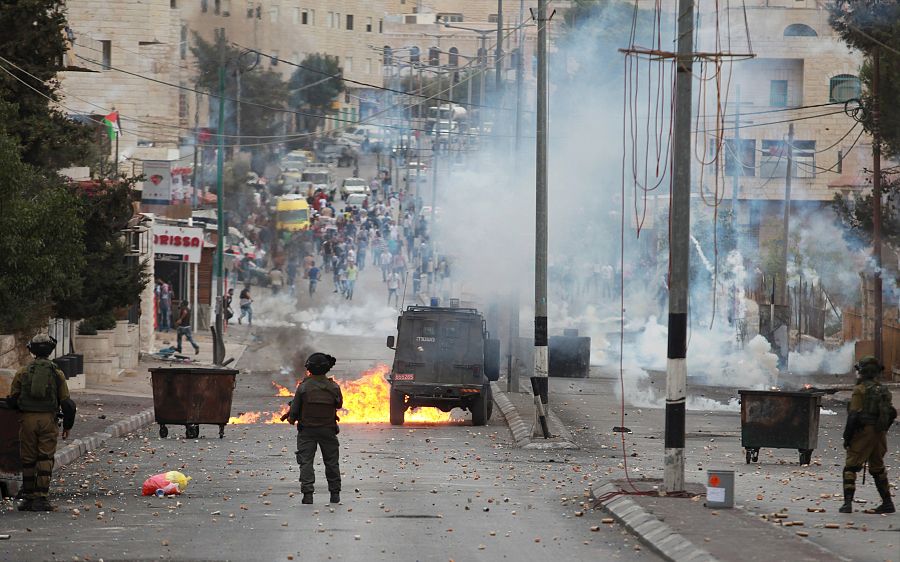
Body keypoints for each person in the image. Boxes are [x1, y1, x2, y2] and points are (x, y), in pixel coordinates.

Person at [7, 335, 76, 511]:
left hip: (28, 420)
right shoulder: (56, 373)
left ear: (32, 350)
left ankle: (28, 498)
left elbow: (13, 400)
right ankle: (41, 498)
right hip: (48, 420)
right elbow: (67, 403)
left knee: (28, 458)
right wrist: (67, 426)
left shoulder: (23, 372)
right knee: (45, 458)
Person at [840, 356, 896, 514]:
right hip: (880, 433)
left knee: (850, 467)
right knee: (878, 467)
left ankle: (847, 504)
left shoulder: (860, 390)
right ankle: (887, 503)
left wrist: (847, 437)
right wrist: (883, 429)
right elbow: (891, 412)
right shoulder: (883, 390)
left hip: (864, 432)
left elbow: (853, 416)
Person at [287, 353, 342, 505]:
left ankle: (308, 495)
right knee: (331, 462)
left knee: (306, 462)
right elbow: (339, 405)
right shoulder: (333, 386)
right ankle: (335, 494)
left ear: (309, 368)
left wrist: (292, 417)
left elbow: (294, 411)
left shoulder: (303, 387)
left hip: (307, 431)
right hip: (328, 430)